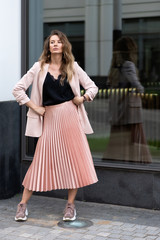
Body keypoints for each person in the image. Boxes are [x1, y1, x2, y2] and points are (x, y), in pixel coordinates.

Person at [13, 30, 98, 222]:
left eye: (59, 41)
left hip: (71, 119)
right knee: (39, 162)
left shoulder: (73, 67)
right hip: (49, 119)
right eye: (52, 42)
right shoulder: (39, 67)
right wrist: (35, 107)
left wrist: (82, 98)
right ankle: (22, 205)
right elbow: (17, 89)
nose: (55, 44)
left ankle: (70, 206)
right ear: (48, 46)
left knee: (74, 163)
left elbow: (93, 87)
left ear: (64, 45)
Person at [103, 36, 152, 163]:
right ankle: (134, 162)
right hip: (130, 110)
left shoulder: (114, 67)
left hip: (117, 108)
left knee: (118, 137)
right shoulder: (129, 65)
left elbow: (110, 84)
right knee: (134, 137)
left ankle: (118, 160)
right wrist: (141, 91)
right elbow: (138, 86)